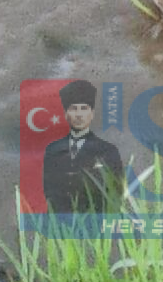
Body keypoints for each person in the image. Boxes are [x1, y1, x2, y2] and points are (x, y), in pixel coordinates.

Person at [41, 80, 124, 214]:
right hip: (64, 224)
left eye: (84, 109)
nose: (79, 115)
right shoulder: (53, 150)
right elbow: (49, 192)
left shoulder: (108, 150)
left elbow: (116, 191)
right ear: (66, 114)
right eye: (74, 109)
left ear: (92, 114)